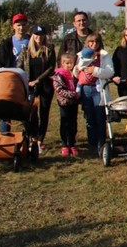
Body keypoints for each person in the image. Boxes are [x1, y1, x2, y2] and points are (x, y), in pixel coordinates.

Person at [17, 25, 56, 153]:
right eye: (36, 35)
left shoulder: (50, 49)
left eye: (41, 34)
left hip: (45, 85)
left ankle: (40, 140)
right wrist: (25, 81)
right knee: (31, 113)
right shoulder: (26, 51)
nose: (39, 37)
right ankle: (32, 138)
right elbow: (19, 67)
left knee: (44, 113)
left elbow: (51, 68)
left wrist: (38, 80)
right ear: (32, 36)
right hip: (30, 86)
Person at [75, 33, 114, 156]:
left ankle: (101, 143)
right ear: (87, 43)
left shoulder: (104, 55)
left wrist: (95, 70)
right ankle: (92, 142)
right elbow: (76, 72)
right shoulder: (81, 54)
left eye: (96, 42)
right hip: (86, 88)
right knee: (89, 117)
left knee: (100, 116)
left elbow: (110, 72)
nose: (94, 44)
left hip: (99, 88)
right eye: (91, 42)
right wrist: (77, 70)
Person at [52, 53, 81, 157]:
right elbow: (59, 89)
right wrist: (73, 94)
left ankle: (72, 143)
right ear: (62, 63)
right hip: (64, 102)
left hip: (73, 102)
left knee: (73, 122)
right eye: (67, 63)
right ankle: (64, 144)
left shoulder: (73, 74)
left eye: (71, 63)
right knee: (65, 122)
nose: (69, 65)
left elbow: (78, 84)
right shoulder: (58, 75)